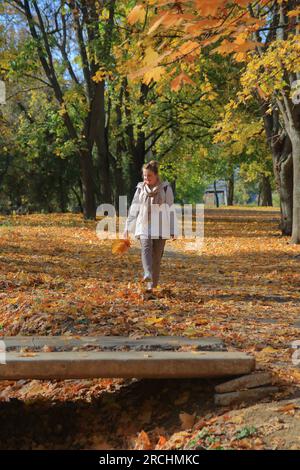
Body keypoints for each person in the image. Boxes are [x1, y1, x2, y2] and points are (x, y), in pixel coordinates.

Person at [123, 160, 178, 292]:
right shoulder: (140, 188)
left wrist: (173, 229)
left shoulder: (165, 188)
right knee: (146, 248)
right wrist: (127, 227)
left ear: (156, 175)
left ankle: (153, 287)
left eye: (149, 176)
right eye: (145, 176)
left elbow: (170, 209)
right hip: (144, 225)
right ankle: (147, 274)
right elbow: (134, 208)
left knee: (157, 259)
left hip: (161, 226)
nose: (146, 178)